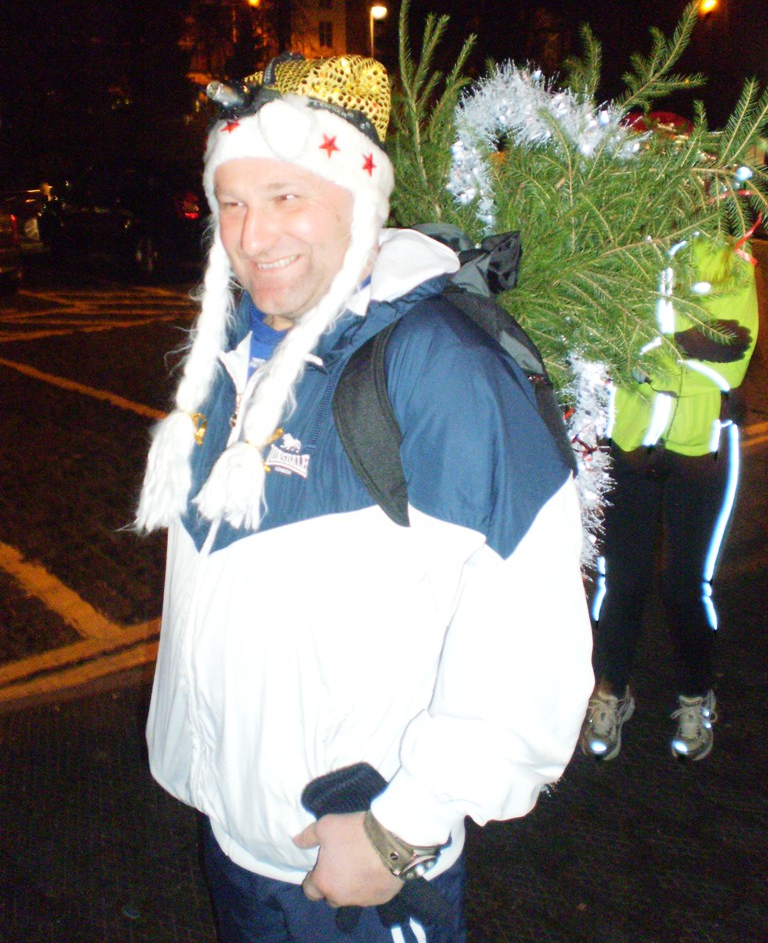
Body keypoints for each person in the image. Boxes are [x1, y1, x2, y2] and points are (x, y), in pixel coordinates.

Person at [137, 53, 593, 943]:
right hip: (241, 844)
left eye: (286, 196)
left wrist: (400, 831)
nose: (252, 235)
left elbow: (529, 635)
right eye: (231, 202)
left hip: (356, 865)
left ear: (362, 198)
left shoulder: (441, 364)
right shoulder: (234, 354)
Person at [580, 235, 759, 762]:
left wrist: (652, 347)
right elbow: (603, 344)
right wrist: (694, 341)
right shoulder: (624, 245)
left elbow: (732, 364)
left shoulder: (731, 261)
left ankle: (697, 693)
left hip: (700, 450)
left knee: (686, 586)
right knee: (620, 582)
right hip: (629, 443)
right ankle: (612, 690)